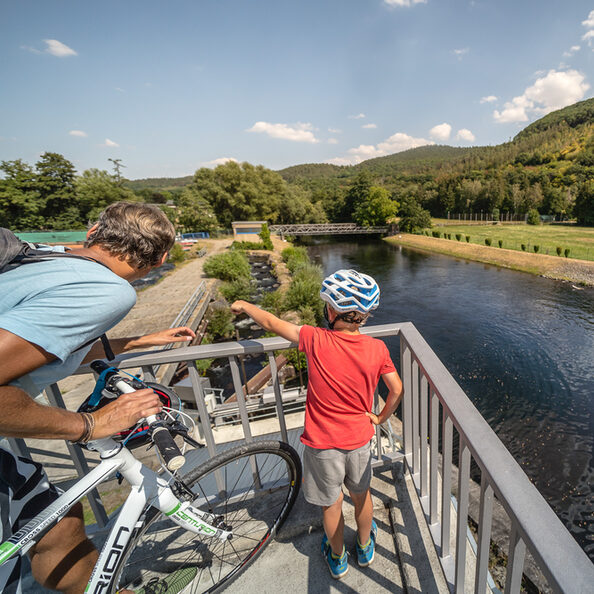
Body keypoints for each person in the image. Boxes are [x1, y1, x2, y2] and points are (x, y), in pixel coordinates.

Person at [0, 201, 196, 594]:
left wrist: (139, 341)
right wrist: (90, 424)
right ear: (159, 261)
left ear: (93, 232)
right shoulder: (111, 291)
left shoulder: (48, 257)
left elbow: (46, 343)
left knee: (56, 520)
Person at [231, 269, 402, 579]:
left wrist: (245, 305)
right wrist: (379, 418)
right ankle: (364, 548)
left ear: (332, 310)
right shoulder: (377, 349)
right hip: (360, 439)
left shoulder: (314, 338)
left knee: (332, 503)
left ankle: (337, 558)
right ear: (362, 317)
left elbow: (271, 322)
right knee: (362, 496)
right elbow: (396, 389)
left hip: (323, 444)